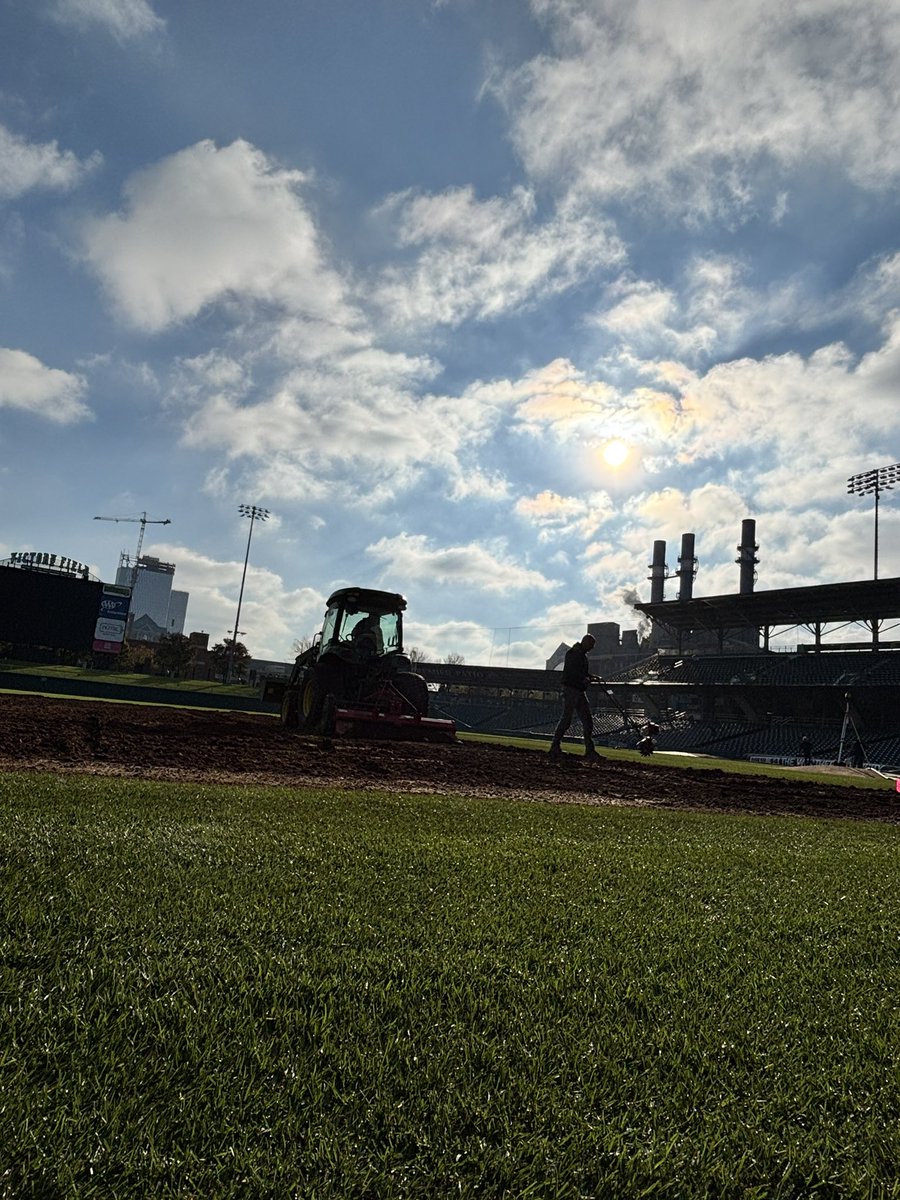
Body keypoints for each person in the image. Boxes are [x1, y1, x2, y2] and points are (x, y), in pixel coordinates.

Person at [549, 633, 601, 761]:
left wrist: (589, 676)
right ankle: (555, 746)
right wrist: (584, 678)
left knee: (587, 720)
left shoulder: (580, 655)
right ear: (586, 642)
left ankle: (589, 750)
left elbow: (579, 672)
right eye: (591, 645)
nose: (592, 648)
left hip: (577, 689)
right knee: (568, 719)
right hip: (572, 689)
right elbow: (573, 672)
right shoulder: (573, 653)